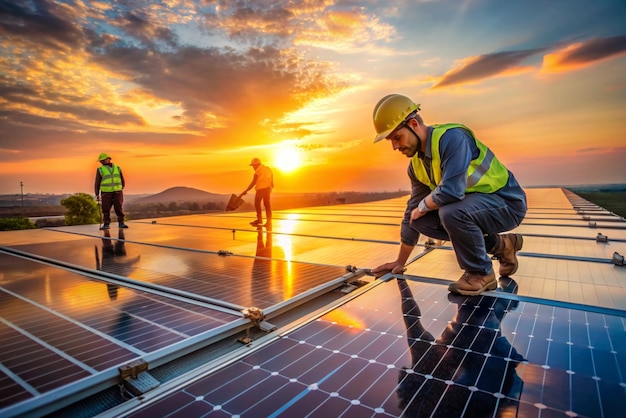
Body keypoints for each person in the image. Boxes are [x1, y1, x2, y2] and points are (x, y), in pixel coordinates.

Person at [371, 94, 527, 295]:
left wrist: (424, 205)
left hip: (506, 203)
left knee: (450, 211)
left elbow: (452, 191)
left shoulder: (451, 139)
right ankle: (502, 245)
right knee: (418, 220)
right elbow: (413, 211)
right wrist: (399, 262)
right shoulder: (416, 166)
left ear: (413, 124)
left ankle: (481, 273)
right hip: (475, 208)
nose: (394, 146)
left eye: (396, 137)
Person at [95, 152, 128, 230]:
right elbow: (97, 182)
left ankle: (121, 223)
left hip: (117, 191)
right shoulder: (100, 169)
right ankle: (106, 224)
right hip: (106, 192)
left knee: (118, 207)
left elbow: (122, 178)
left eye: (103, 160)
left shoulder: (117, 168)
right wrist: (97, 194)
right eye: (101, 161)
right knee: (105, 208)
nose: (101, 162)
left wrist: (121, 187)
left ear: (109, 159)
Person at [240, 157, 274, 227]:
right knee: (267, 204)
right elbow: (271, 174)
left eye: (253, 166)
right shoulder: (267, 168)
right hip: (268, 188)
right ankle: (269, 222)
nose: (253, 167)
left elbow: (253, 182)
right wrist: (272, 183)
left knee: (257, 203)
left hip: (261, 189)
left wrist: (246, 190)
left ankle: (259, 219)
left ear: (256, 165)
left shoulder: (257, 172)